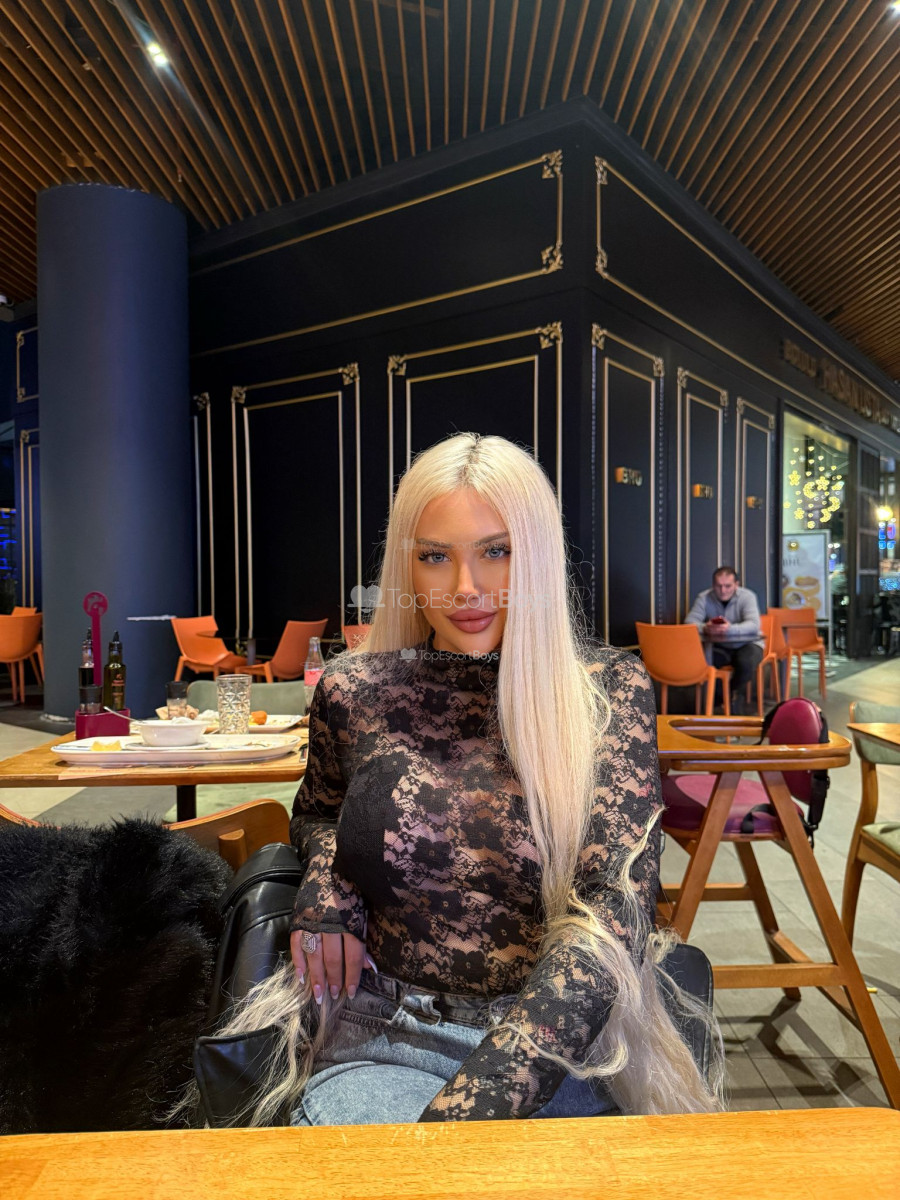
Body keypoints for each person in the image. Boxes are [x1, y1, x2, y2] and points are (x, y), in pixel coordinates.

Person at [215, 433, 722, 1126]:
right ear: (406, 563)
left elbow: (613, 908)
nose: (465, 588)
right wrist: (331, 881)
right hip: (386, 1034)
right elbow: (319, 812)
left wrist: (469, 1116)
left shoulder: (604, 692)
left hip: (565, 1050)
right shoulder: (355, 688)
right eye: (434, 556)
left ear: (536, 555)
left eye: (496, 551)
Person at [685, 566, 764, 711]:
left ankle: (729, 697)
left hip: (748, 644)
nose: (723, 590)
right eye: (718, 586)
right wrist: (705, 627)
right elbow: (689, 623)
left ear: (736, 585)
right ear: (713, 585)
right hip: (719, 646)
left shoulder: (747, 596)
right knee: (702, 664)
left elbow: (754, 625)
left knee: (745, 663)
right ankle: (718, 701)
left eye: (728, 586)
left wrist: (729, 629)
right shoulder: (704, 597)